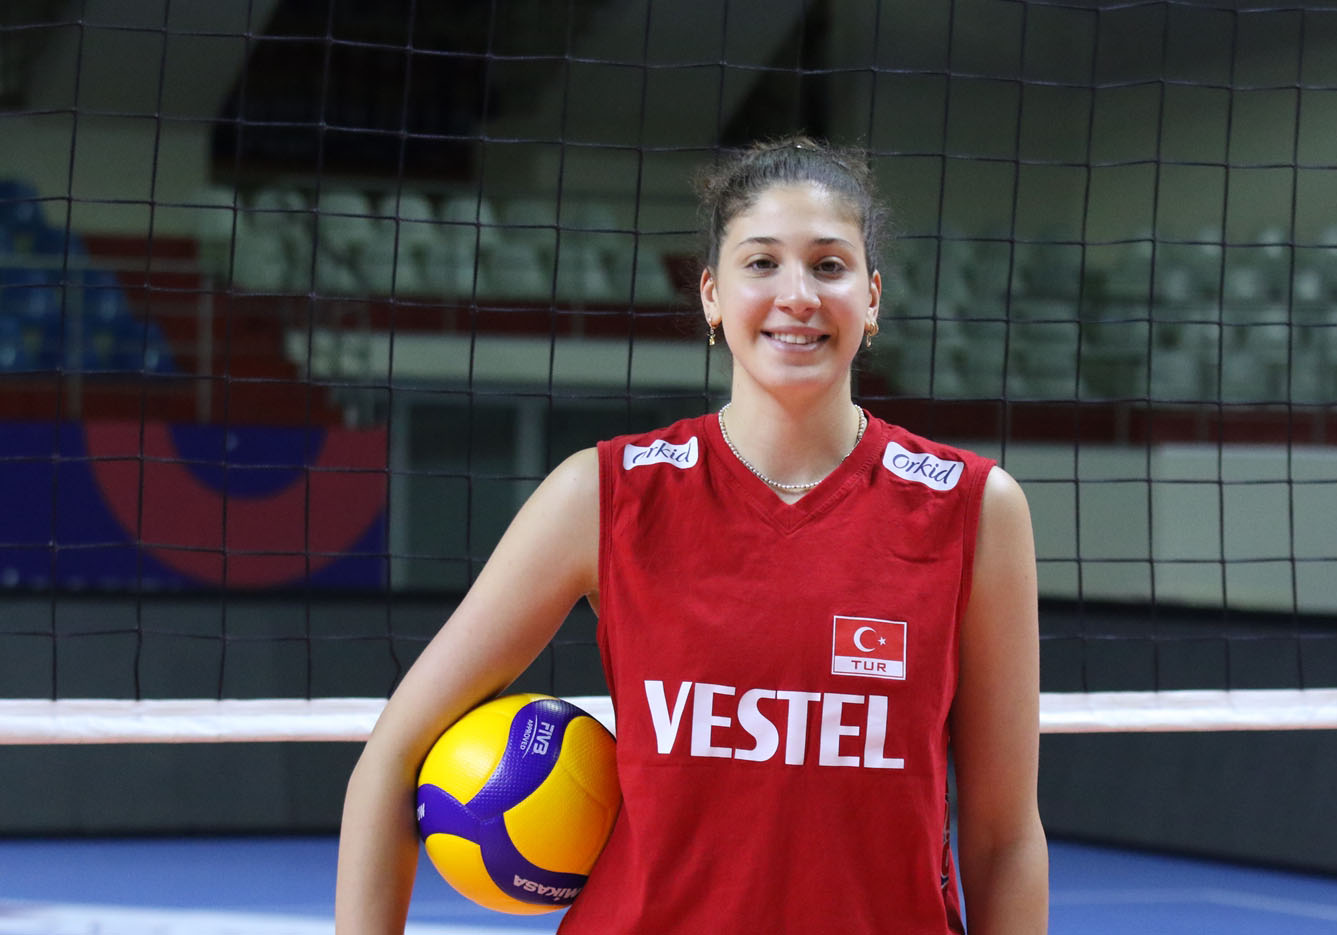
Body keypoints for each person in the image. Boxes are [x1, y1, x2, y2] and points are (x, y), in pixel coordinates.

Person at [335, 136, 1047, 934]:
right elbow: (391, 758)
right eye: (761, 262)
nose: (798, 295)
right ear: (712, 293)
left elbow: (1004, 838)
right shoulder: (604, 493)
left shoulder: (974, 508)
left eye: (829, 265)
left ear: (872, 297)